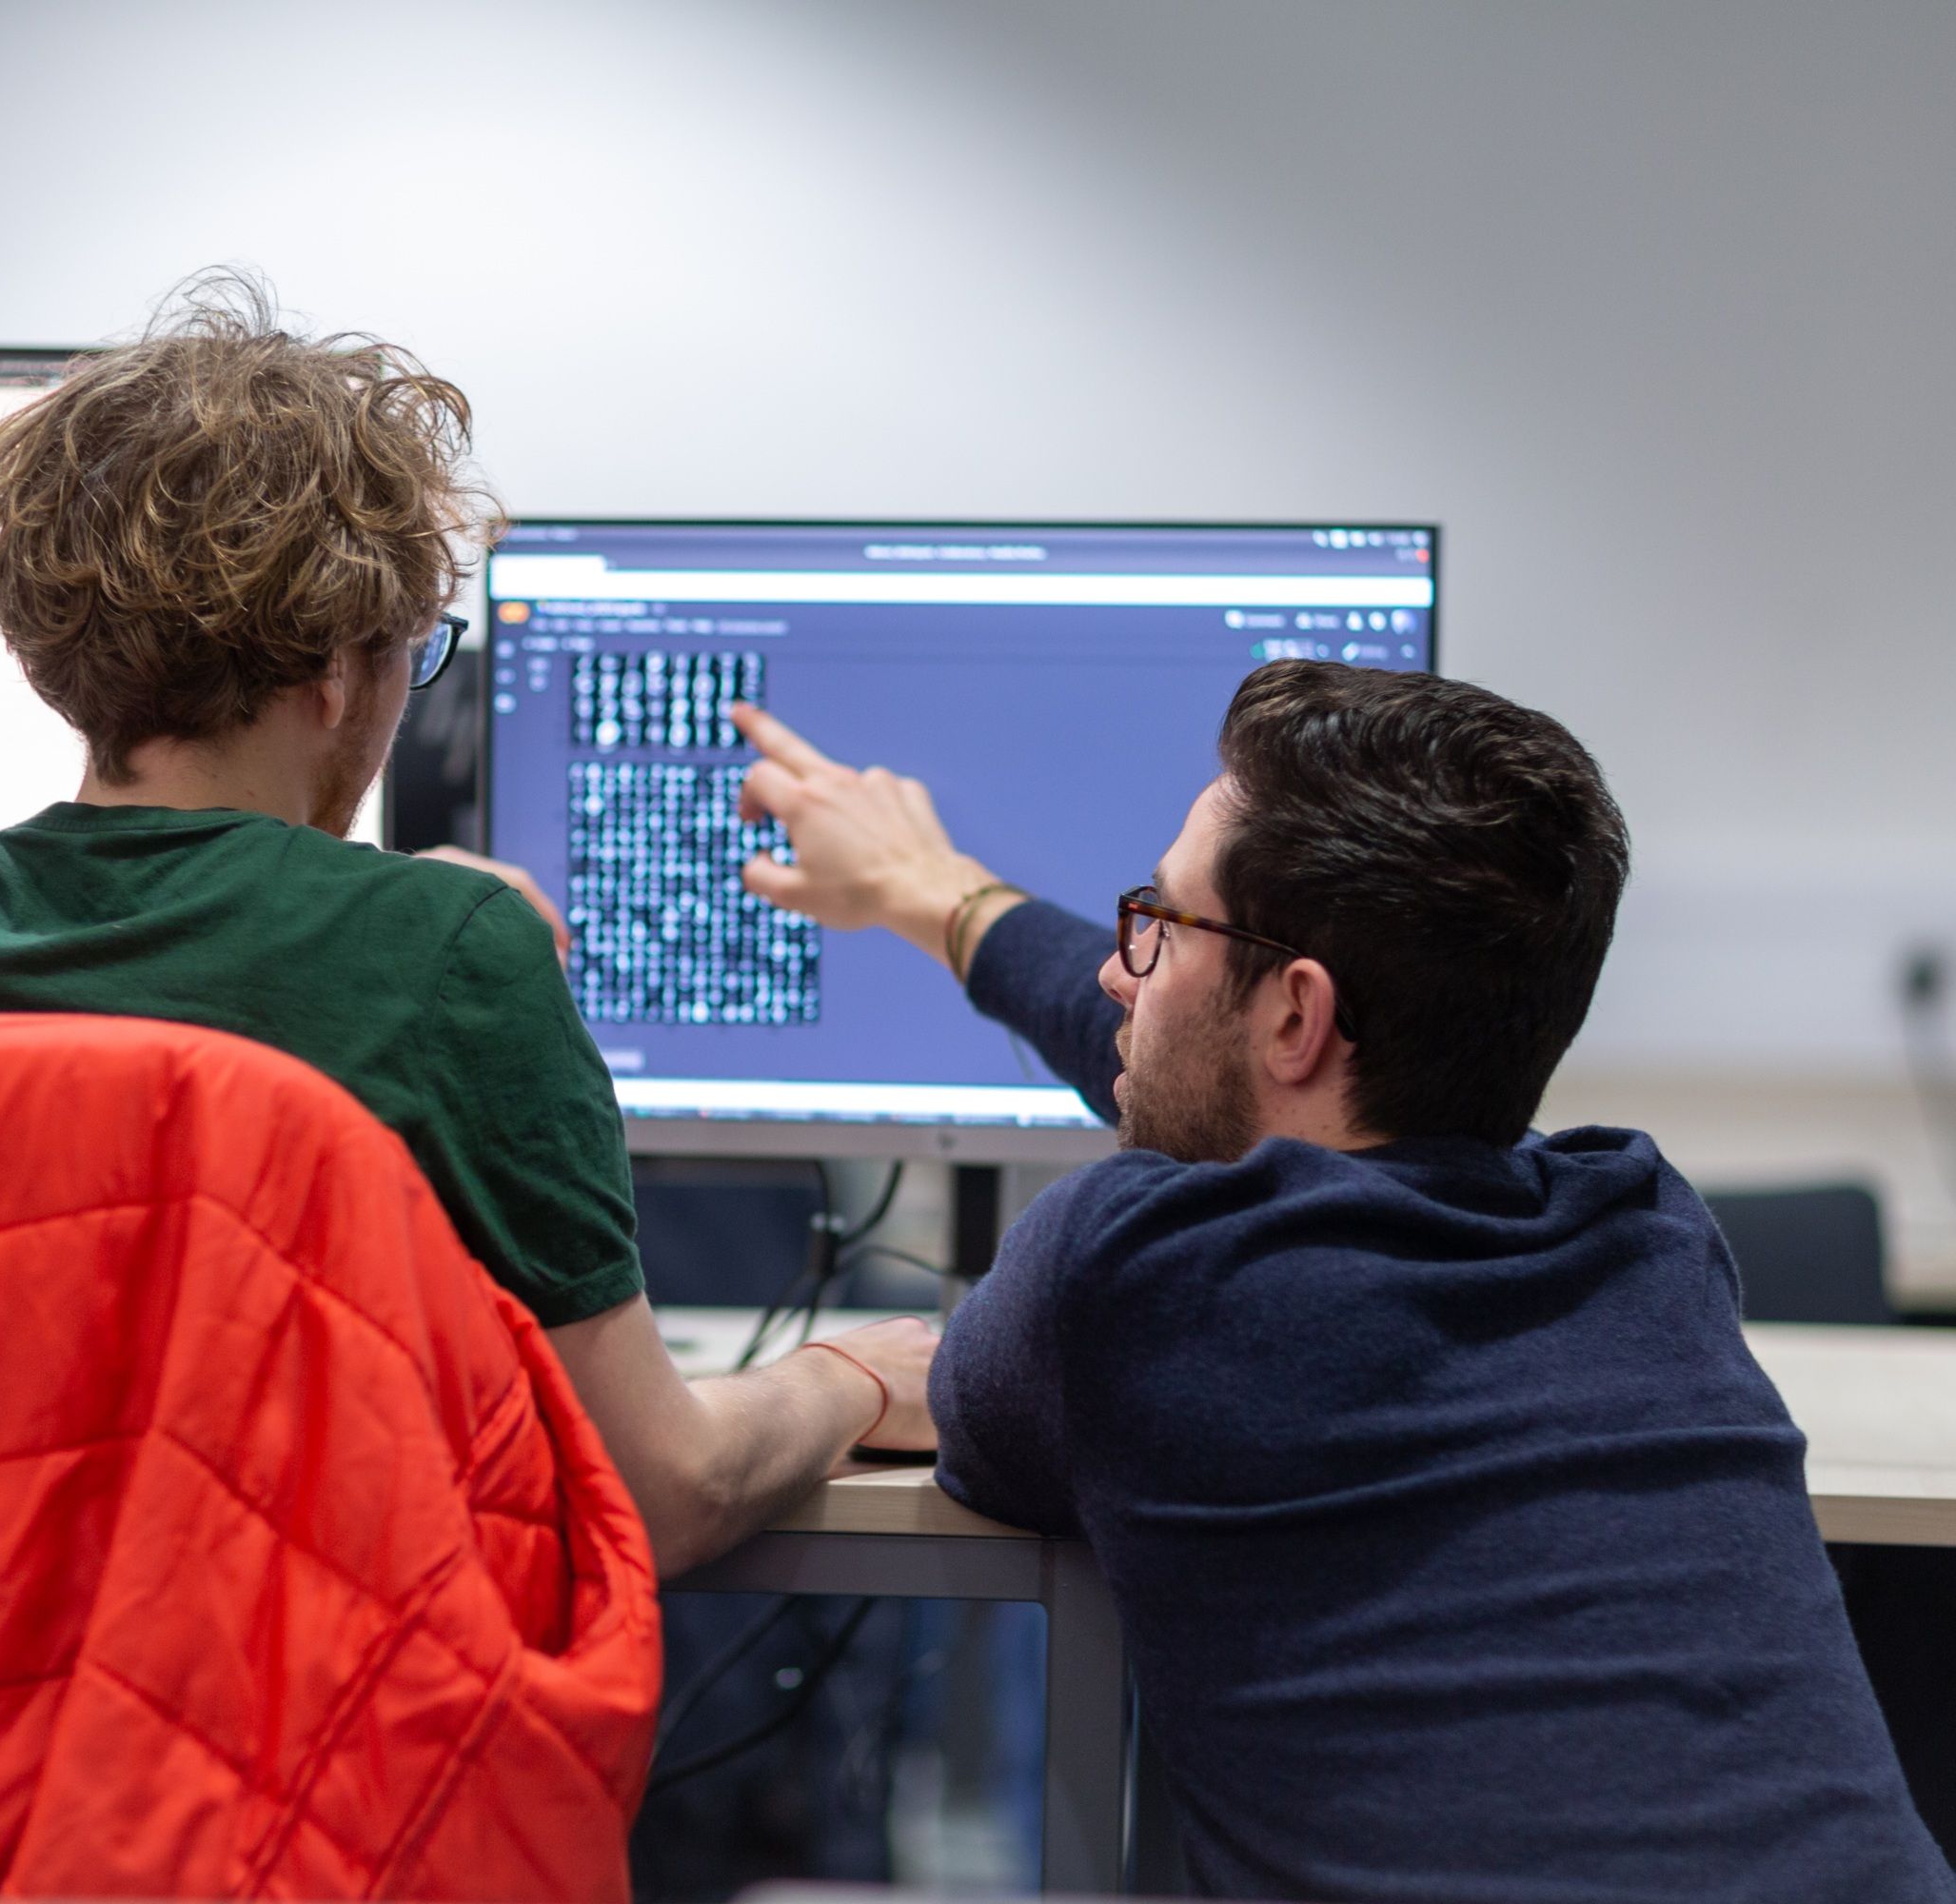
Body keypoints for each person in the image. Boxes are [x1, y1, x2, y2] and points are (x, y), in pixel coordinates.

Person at [732, 664, 1954, 1901]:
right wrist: (937, 897)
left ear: (1295, 1019)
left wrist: (840, 1377)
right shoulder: (1645, 1227)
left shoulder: (1137, 1277)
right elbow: (1182, 1062)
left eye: (1161, 923)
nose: (1118, 969)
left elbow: (1160, 1116)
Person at [0, 279, 932, 1576]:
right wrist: (848, 1379)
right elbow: (659, 1493)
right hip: (288, 1731)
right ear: (338, 667)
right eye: (412, 647)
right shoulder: (448, 959)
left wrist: (402, 911)